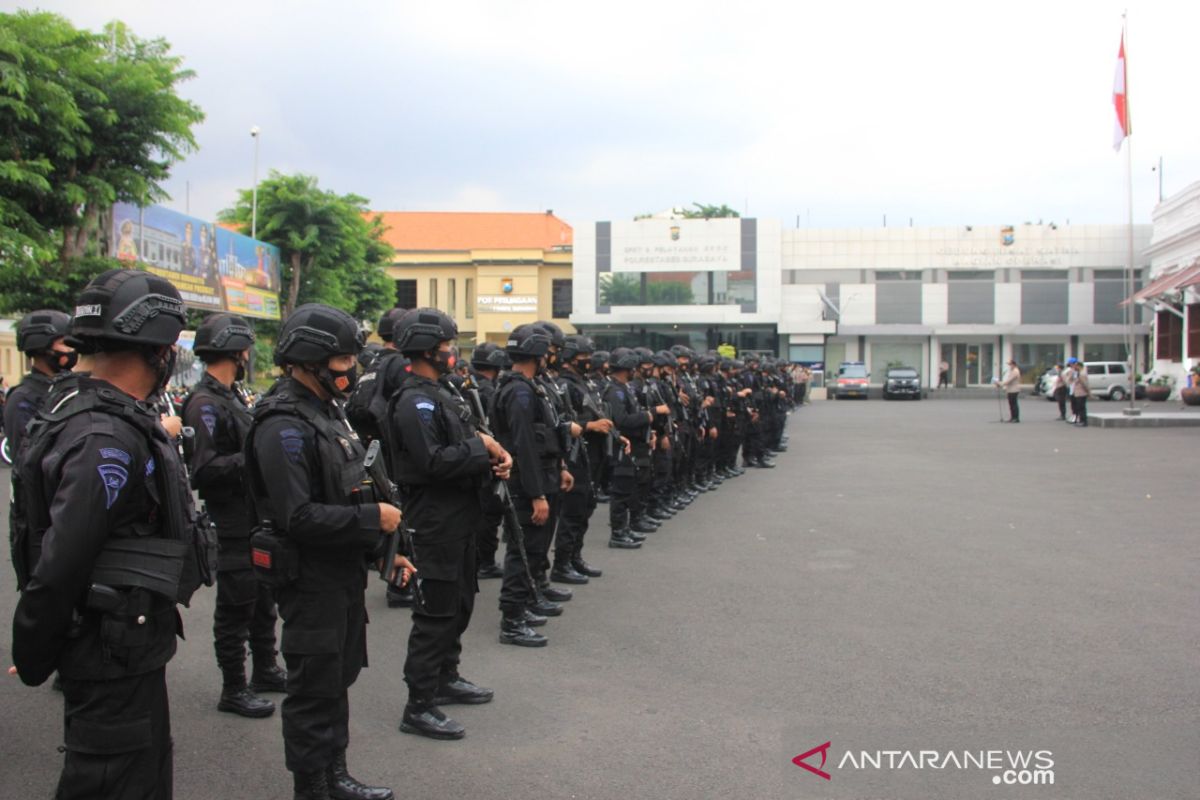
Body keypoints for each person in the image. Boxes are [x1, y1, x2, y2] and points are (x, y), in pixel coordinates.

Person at [10, 269, 205, 800]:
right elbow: (62, 559)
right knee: (112, 781)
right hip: (108, 649)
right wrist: (35, 645)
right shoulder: (105, 435)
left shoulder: (88, 411)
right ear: (159, 349)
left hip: (124, 643)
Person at [245, 303, 409, 800]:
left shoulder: (325, 414)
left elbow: (349, 490)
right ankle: (312, 785)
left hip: (341, 573)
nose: (350, 371)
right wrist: (372, 520)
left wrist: (388, 549)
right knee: (313, 689)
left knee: (336, 679)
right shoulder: (282, 425)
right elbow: (298, 517)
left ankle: (334, 774)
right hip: (310, 580)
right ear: (310, 360)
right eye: (340, 361)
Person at [387, 308, 511, 739]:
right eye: (445, 345)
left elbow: (464, 447)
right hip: (434, 521)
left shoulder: (442, 393)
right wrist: (480, 448)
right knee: (435, 612)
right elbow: (432, 462)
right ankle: (418, 703)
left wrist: (493, 455)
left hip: (460, 518)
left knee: (459, 602)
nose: (451, 352)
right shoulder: (414, 400)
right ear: (426, 349)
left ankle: (446, 676)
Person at [182, 313, 285, 719]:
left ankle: (265, 670)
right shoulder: (205, 403)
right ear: (236, 351)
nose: (248, 357)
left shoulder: (231, 395)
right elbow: (203, 469)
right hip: (231, 521)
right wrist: (256, 458)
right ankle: (233, 687)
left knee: (263, 600)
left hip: (254, 517)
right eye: (245, 350)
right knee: (235, 606)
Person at [493, 324, 569, 647]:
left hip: (541, 478)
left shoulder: (528, 387)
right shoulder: (520, 392)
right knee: (523, 550)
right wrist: (537, 493)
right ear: (537, 355)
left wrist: (560, 469)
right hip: (526, 486)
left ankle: (523, 605)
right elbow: (524, 446)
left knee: (534, 548)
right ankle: (512, 620)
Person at [3, 310, 77, 459]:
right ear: (42, 348)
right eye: (65, 343)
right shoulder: (22, 400)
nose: (72, 350)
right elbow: (26, 459)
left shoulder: (69, 387)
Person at [1071, 361, 1090, 427]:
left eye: (1076, 366)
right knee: (1079, 407)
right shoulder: (1078, 373)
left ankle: (1084, 421)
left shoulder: (1082, 374)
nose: (1075, 367)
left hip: (1081, 393)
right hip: (1078, 393)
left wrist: (1088, 392)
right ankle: (1081, 420)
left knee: (1082, 408)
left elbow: (1085, 384)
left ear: (1079, 366)